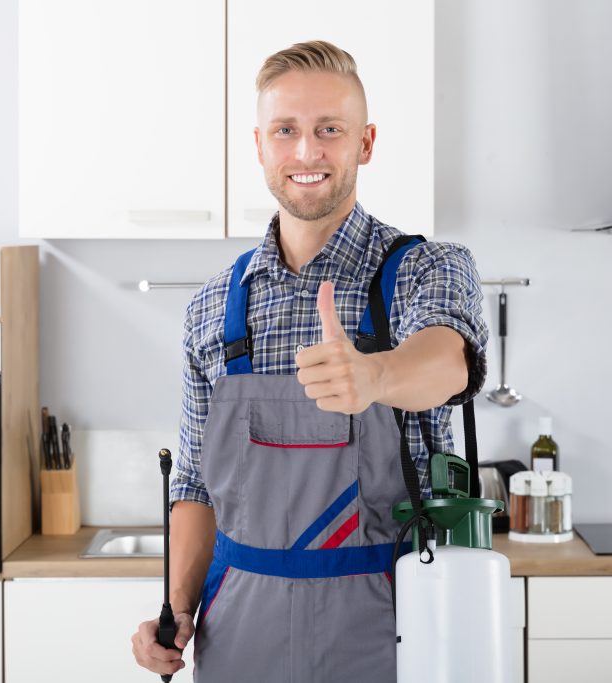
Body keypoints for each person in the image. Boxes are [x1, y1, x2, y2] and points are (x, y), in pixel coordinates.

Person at [131, 40, 489, 681]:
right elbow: (194, 488)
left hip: (394, 628)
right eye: (285, 131)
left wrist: (376, 374)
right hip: (241, 632)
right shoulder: (213, 306)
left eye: (329, 130)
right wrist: (177, 610)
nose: (306, 152)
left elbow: (449, 362)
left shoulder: (424, 270)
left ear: (366, 143)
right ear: (260, 146)